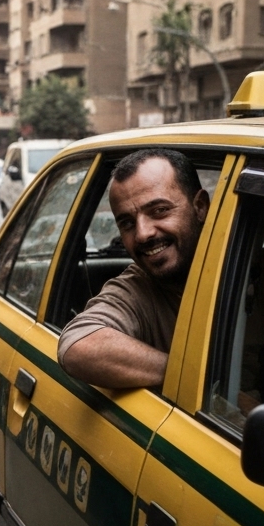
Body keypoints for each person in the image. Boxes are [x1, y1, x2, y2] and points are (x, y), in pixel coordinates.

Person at [58, 148, 210, 390]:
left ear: (200, 207)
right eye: (127, 223)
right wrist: (201, 382)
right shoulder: (136, 290)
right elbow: (78, 343)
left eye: (159, 211)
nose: (143, 234)